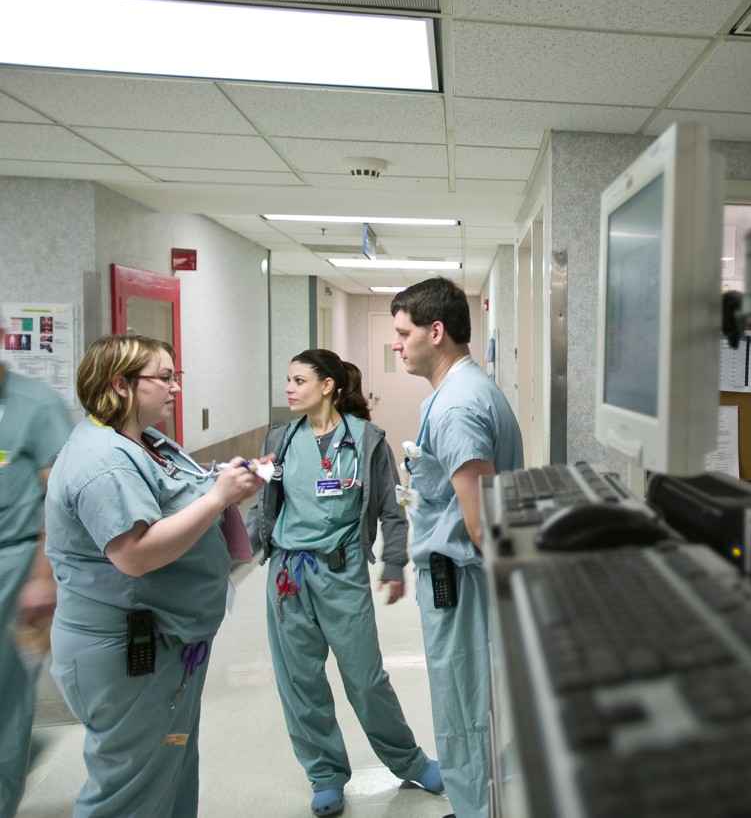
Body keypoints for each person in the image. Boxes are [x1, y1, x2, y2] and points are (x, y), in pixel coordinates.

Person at [43, 334, 266, 816]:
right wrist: (218, 497)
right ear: (120, 385)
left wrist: (222, 480)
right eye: (164, 378)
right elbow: (135, 555)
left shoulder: (143, 440)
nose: (174, 388)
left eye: (174, 376)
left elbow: (174, 491)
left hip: (165, 642)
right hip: (127, 651)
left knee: (169, 769)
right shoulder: (101, 462)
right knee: (130, 792)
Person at [254, 348, 443, 817]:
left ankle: (409, 761)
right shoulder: (278, 438)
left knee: (366, 678)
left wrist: (395, 563)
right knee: (300, 681)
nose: (288, 388)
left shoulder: (367, 440)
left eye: (298, 380)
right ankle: (325, 775)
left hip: (341, 572)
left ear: (327, 386)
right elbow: (264, 503)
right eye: (288, 380)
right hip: (288, 578)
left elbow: (390, 507)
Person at [391, 278, 524, 818]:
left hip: (462, 583)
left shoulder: (456, 410)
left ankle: (474, 811)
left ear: (436, 332)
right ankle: (478, 805)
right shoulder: (467, 390)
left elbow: (479, 524)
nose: (397, 344)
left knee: (466, 710)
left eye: (403, 333)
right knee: (473, 706)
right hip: (465, 579)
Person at [0, 328, 73, 818]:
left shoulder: (36, 406)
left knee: (4, 694)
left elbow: (58, 496)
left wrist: (42, 575)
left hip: (13, 558)